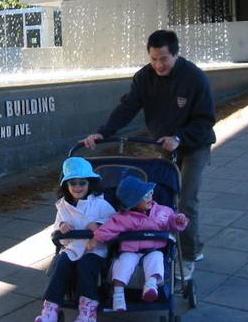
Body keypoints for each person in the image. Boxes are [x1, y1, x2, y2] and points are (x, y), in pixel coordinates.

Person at [82, 29, 215, 280]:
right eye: (153, 59)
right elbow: (127, 107)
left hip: (194, 145)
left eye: (163, 58)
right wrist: (103, 132)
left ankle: (188, 255)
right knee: (161, 199)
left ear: (175, 54)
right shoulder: (144, 78)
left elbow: (206, 120)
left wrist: (179, 138)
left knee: (186, 201)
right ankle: (161, 247)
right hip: (162, 145)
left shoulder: (194, 78)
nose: (158, 64)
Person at [86, 176, 188, 311]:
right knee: (123, 264)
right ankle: (118, 294)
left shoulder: (162, 212)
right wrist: (96, 238)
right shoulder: (124, 218)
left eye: (150, 193)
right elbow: (109, 228)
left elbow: (171, 222)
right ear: (132, 203)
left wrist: (178, 220)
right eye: (145, 196)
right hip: (131, 251)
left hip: (153, 249)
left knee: (157, 259)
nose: (150, 197)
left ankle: (151, 286)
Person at [35, 157, 116, 322]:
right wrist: (62, 226)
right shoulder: (63, 207)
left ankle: (87, 311)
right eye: (73, 183)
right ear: (66, 185)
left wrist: (99, 225)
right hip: (72, 248)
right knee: (60, 263)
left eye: (82, 183)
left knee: (87, 266)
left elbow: (114, 222)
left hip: (95, 248)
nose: (78, 187)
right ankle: (51, 308)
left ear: (90, 183)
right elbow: (57, 232)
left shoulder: (99, 204)